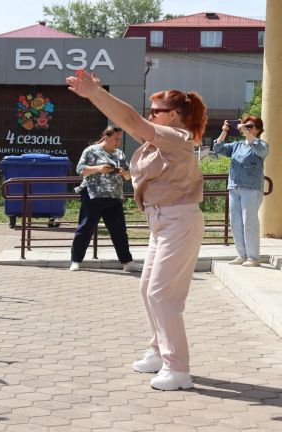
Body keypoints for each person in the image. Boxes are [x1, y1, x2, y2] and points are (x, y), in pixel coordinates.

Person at [67, 70, 207, 391]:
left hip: (179, 220)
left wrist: (94, 93)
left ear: (173, 116)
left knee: (162, 294)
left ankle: (178, 369)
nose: (150, 115)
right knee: (148, 290)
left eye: (156, 111)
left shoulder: (177, 137)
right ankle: (158, 352)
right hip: (162, 222)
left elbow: (129, 119)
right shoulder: (154, 144)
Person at [69, 126, 143, 272]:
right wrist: (98, 168)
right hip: (93, 195)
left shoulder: (119, 154)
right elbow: (80, 170)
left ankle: (127, 262)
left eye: (119, 139)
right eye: (115, 139)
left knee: (119, 231)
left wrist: (124, 173)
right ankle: (76, 260)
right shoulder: (91, 151)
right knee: (85, 228)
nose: (118, 142)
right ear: (105, 137)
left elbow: (128, 176)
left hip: (114, 196)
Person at [213, 115, 269, 267]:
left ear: (258, 129)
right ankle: (242, 255)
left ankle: (253, 257)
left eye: (250, 126)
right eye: (245, 125)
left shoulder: (261, 145)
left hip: (251, 187)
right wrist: (224, 132)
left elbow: (261, 151)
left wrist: (245, 132)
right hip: (234, 186)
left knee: (249, 222)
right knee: (235, 222)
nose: (247, 128)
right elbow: (217, 148)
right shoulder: (237, 145)